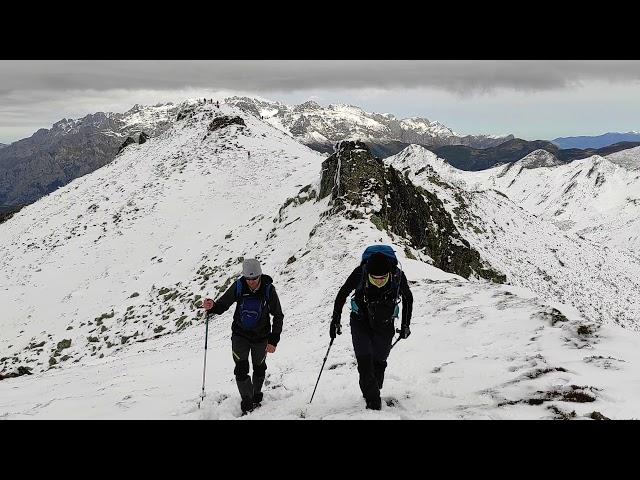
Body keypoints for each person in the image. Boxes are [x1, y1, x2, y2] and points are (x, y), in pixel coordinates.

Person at [331, 248, 413, 410]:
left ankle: (373, 388)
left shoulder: (397, 275)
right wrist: (335, 321)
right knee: (364, 362)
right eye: (375, 278)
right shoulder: (360, 273)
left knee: (379, 360)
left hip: (385, 322)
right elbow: (342, 294)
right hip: (360, 320)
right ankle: (373, 401)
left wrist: (405, 325)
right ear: (368, 273)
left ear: (389, 273)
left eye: (383, 278)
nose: (379, 281)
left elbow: (408, 298)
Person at [202, 258, 284, 414]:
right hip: (240, 335)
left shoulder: (268, 289)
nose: (251, 282)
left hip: (261, 336)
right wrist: (212, 306)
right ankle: (247, 400)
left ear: (260, 275)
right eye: (248, 279)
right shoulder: (239, 286)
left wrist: (273, 340)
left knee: (259, 366)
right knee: (241, 368)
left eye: (254, 278)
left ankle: (257, 394)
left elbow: (278, 315)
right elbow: (222, 305)